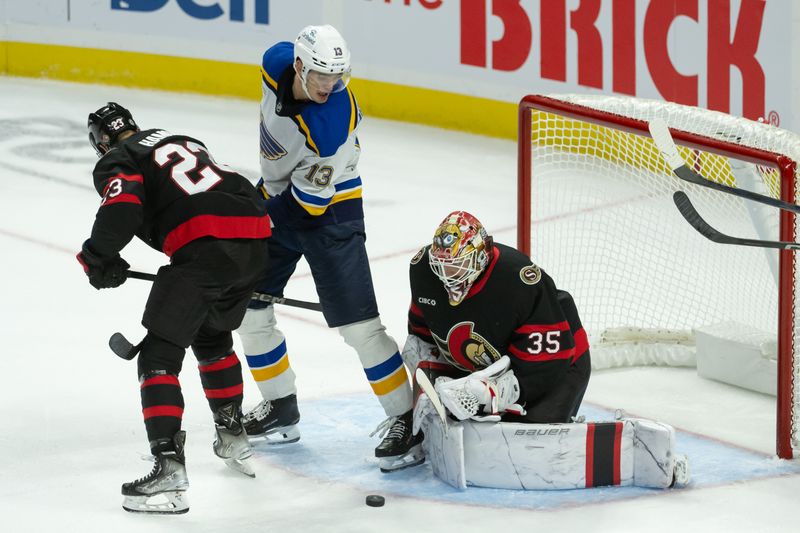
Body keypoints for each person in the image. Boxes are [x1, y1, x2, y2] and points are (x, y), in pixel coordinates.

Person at [236, 24, 420, 473]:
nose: (329, 85)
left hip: (330, 214)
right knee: (249, 310)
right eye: (320, 74)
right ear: (298, 64)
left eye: (337, 76)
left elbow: (306, 207)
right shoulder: (274, 62)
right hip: (280, 198)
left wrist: (250, 215)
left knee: (360, 328)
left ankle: (407, 421)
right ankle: (280, 408)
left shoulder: (332, 121)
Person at [77, 102, 271, 514]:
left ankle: (168, 468)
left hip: (205, 247)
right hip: (255, 237)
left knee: (158, 354)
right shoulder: (176, 138)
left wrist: (96, 257)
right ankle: (233, 436)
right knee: (211, 334)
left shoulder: (119, 158)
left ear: (101, 142)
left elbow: (122, 207)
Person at [402, 211, 591, 425]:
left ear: (481, 256)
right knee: (414, 352)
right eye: (442, 265)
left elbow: (549, 359)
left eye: (456, 266)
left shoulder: (516, 279)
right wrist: (431, 388)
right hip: (487, 367)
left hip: (557, 363)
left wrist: (493, 394)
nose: (447, 275)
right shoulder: (424, 270)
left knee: (526, 440)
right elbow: (422, 335)